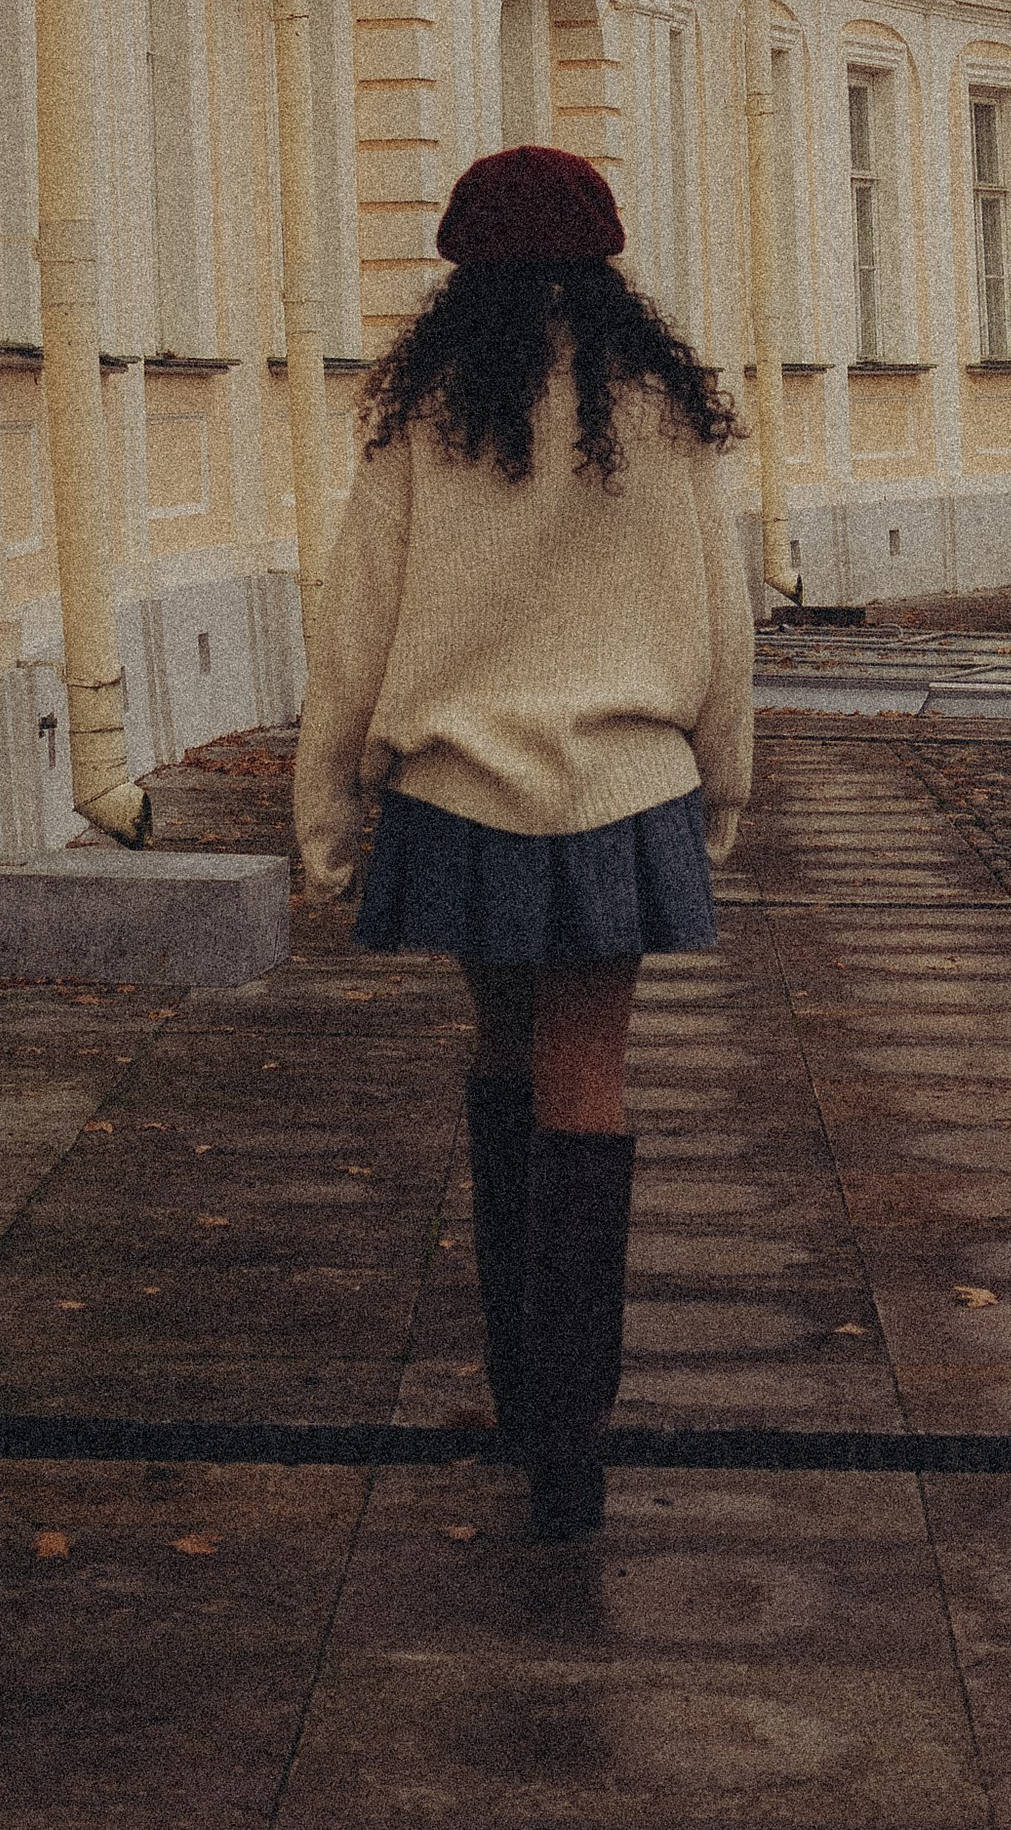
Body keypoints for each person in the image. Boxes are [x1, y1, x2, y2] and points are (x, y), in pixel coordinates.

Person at [294, 145, 753, 1539]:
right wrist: (723, 787)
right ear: (608, 271)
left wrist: (326, 814)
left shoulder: (427, 417)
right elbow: (724, 622)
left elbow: (353, 625)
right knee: (588, 1075)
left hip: (459, 792)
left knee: (501, 1056)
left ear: (462, 278)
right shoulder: (663, 418)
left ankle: (518, 1386)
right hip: (626, 784)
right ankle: (574, 1438)